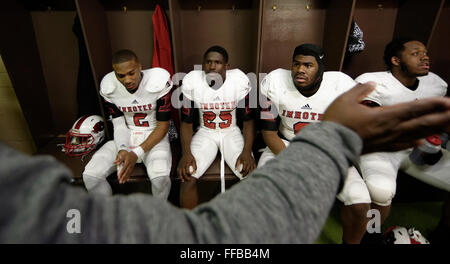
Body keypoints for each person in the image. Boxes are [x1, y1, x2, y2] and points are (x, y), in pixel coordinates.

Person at [2, 82, 450, 243]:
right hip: (209, 138)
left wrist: (246, 147)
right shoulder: (196, 89)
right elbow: (189, 124)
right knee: (184, 173)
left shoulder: (249, 87)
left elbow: (254, 127)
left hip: (233, 136)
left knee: (372, 191)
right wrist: (335, 141)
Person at [338, 39, 449, 244]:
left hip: (420, 148)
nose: (425, 57)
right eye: (416, 53)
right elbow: (362, 125)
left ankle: (443, 232)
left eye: (425, 52)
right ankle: (371, 234)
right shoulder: (373, 83)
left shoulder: (437, 84)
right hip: (381, 147)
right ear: (395, 60)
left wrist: (437, 138)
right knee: (381, 191)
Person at [82, 49, 173, 199]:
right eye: (121, 75)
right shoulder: (109, 86)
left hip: (154, 134)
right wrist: (123, 149)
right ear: (115, 73)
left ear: (139, 67)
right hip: (128, 133)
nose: (127, 80)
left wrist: (135, 153)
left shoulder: (158, 80)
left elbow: (163, 126)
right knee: (91, 174)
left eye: (131, 73)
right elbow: (119, 125)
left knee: (160, 176)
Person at [177, 45, 256, 209]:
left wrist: (247, 151)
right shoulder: (192, 81)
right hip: (206, 132)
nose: (212, 66)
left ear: (227, 66)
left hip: (231, 132)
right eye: (208, 62)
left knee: (251, 175)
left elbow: (248, 121)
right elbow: (186, 122)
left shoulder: (239, 81)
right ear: (202, 64)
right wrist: (186, 153)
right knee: (188, 175)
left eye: (218, 62)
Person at [258, 43, 356, 167]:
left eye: (308, 65)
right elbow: (269, 132)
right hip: (285, 143)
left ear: (320, 68)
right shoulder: (275, 82)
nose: (300, 70)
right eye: (296, 64)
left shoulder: (341, 85)